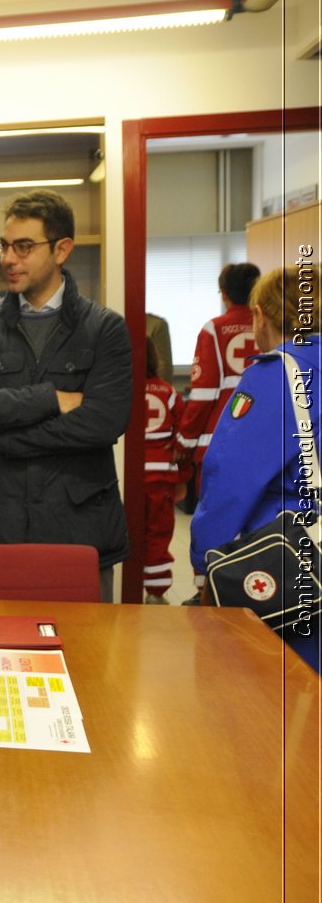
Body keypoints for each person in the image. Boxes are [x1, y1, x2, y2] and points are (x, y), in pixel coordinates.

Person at [0, 190, 132, 599]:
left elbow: (104, 421)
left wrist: (5, 434)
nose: (8, 259)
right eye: (5, 246)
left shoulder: (104, 329)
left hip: (78, 526)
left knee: (87, 653)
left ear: (62, 249)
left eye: (24, 247)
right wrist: (53, 399)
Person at [191, 264, 320, 670]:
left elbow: (230, 479)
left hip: (295, 561)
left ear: (261, 315)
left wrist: (205, 561)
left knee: (285, 701)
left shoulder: (277, 375)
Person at [178, 262, 262, 492]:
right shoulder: (270, 326)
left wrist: (185, 440)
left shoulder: (214, 329)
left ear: (224, 294)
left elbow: (204, 395)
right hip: (263, 443)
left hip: (219, 442)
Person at [142, 338, 185, 603]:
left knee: (130, 531)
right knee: (158, 532)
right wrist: (183, 479)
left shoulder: (122, 388)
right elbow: (182, 440)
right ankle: (155, 593)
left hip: (130, 477)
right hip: (161, 477)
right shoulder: (169, 392)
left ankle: (126, 584)